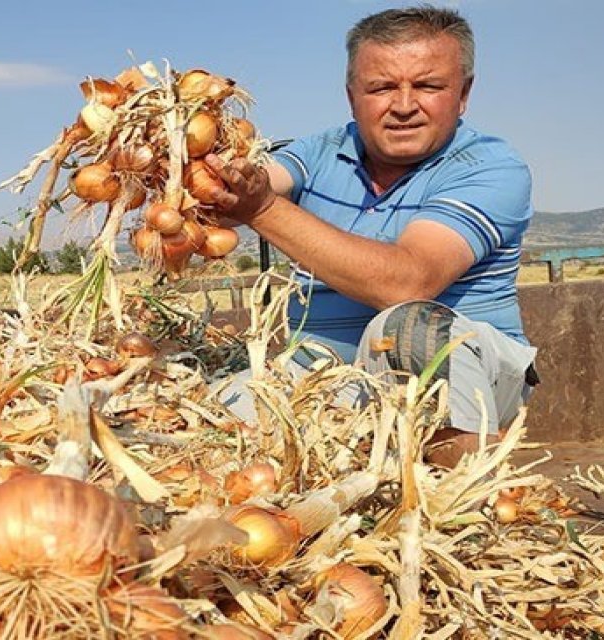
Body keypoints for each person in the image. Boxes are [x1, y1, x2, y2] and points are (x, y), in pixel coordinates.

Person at [206, 5, 538, 467]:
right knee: (201, 418)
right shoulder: (322, 150)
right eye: (381, 88)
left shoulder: (489, 167)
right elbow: (248, 188)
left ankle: (461, 488)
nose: (403, 106)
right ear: (352, 97)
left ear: (463, 94)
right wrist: (208, 181)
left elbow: (407, 283)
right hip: (324, 382)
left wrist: (261, 208)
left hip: (465, 375)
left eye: (428, 86)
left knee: (408, 329)